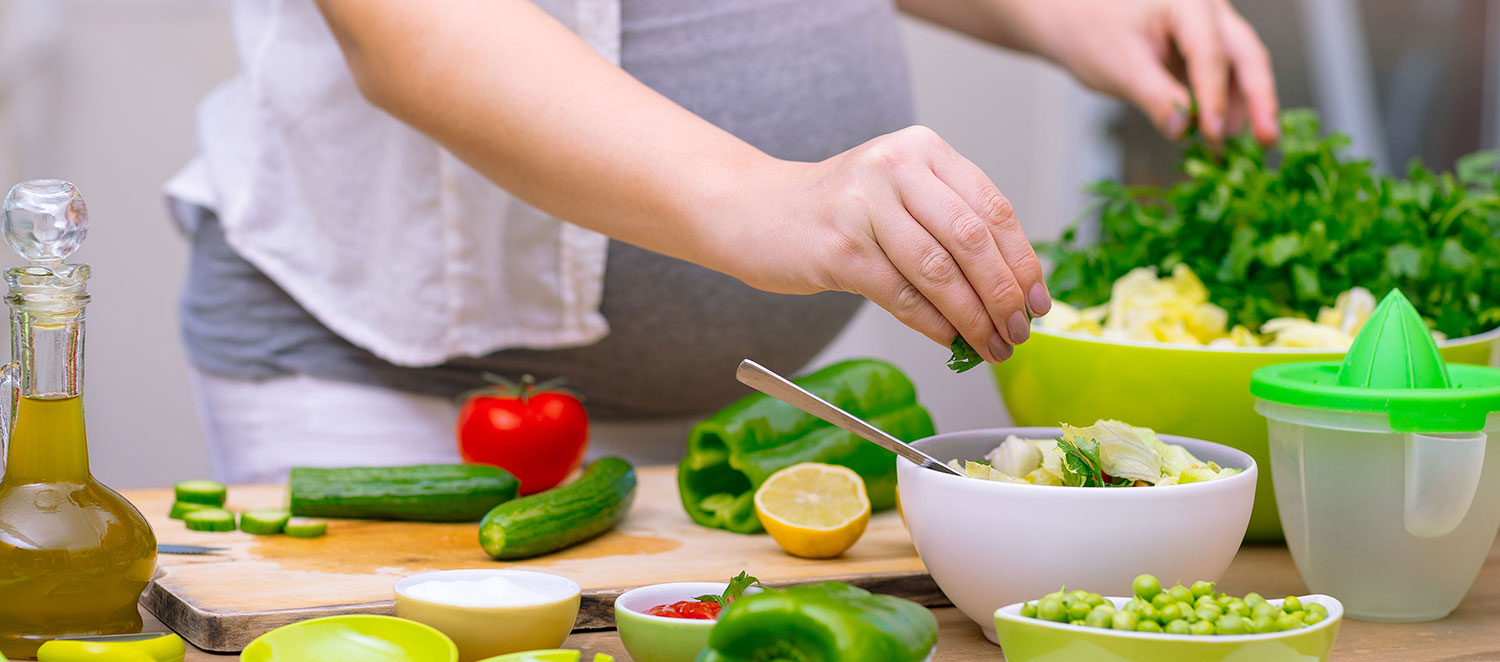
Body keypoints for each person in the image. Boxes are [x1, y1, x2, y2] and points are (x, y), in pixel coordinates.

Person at [167, 0, 1279, 481]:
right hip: (395, 380)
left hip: (729, 431)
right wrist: (770, 202)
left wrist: (1064, 12)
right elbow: (410, 32)